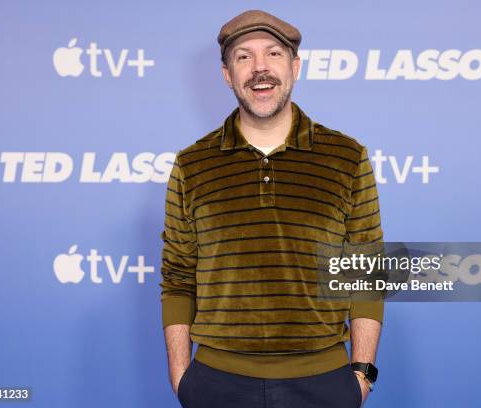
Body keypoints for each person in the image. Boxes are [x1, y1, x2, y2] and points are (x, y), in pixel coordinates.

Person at [160, 9, 384, 408]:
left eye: (274, 54)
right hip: (215, 384)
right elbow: (178, 277)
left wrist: (362, 374)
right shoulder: (192, 163)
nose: (260, 68)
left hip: (324, 384)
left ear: (295, 66)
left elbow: (365, 273)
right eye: (244, 57)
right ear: (227, 74)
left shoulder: (347, 156)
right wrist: (181, 375)